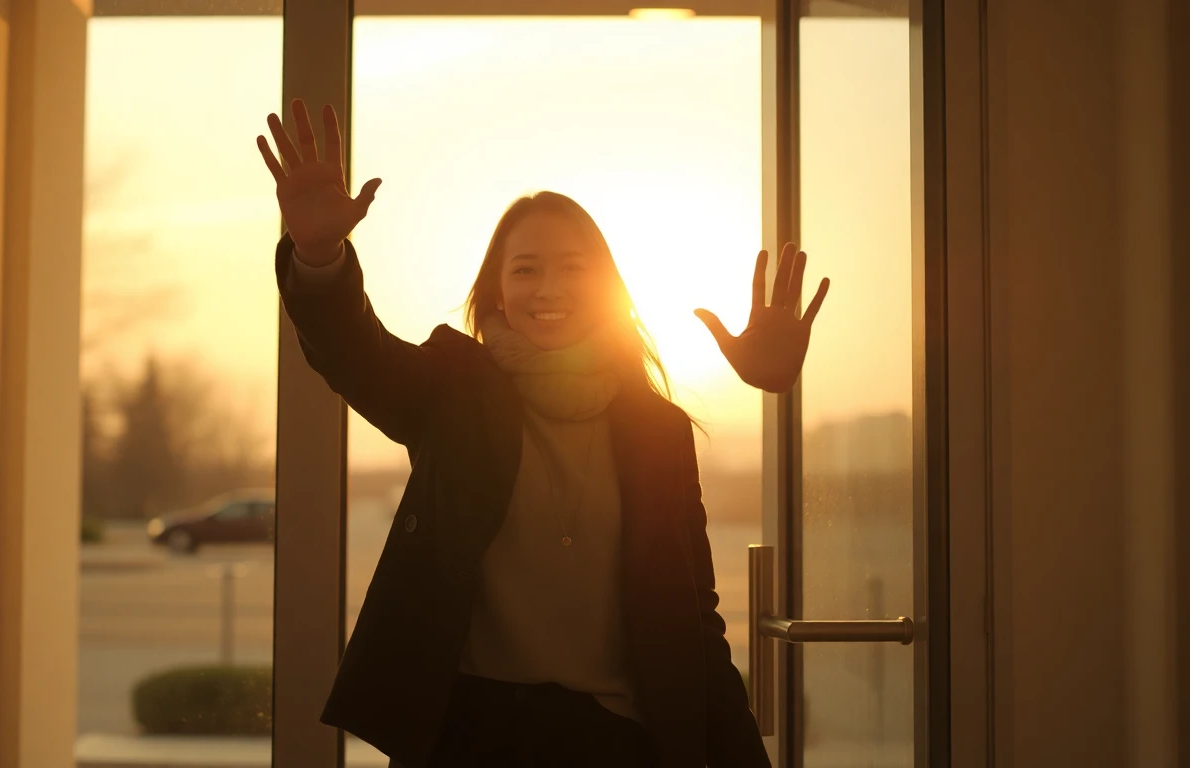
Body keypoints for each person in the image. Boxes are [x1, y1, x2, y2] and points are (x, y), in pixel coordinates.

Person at [256, 100, 829, 768]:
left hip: (617, 746)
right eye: (525, 268)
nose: (548, 286)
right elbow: (350, 350)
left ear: (607, 287)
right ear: (496, 291)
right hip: (468, 741)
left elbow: (694, 624)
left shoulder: (658, 432)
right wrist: (319, 253)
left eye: (573, 267)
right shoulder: (451, 389)